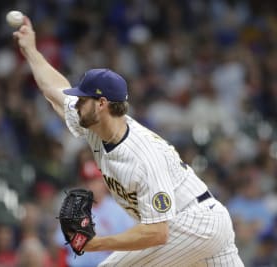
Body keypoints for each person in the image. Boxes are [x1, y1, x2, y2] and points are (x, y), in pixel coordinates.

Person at [13, 16, 244, 266]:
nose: (76, 103)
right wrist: (31, 50)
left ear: (102, 104)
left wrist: (96, 243)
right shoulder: (94, 123)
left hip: (192, 221)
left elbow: (158, 233)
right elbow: (56, 90)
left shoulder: (143, 155)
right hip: (202, 224)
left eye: (82, 99)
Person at [54, 160, 135, 267]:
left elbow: (133, 243)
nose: (91, 186)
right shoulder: (72, 211)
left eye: (95, 181)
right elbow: (62, 249)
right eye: (87, 181)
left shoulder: (119, 210)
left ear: (104, 183)